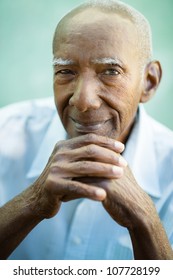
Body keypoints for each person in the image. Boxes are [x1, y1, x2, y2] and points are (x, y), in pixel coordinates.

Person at [0, 0, 173, 260]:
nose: (83, 100)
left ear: (148, 83)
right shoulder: (5, 131)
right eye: (66, 71)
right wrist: (32, 202)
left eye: (111, 72)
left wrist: (145, 221)